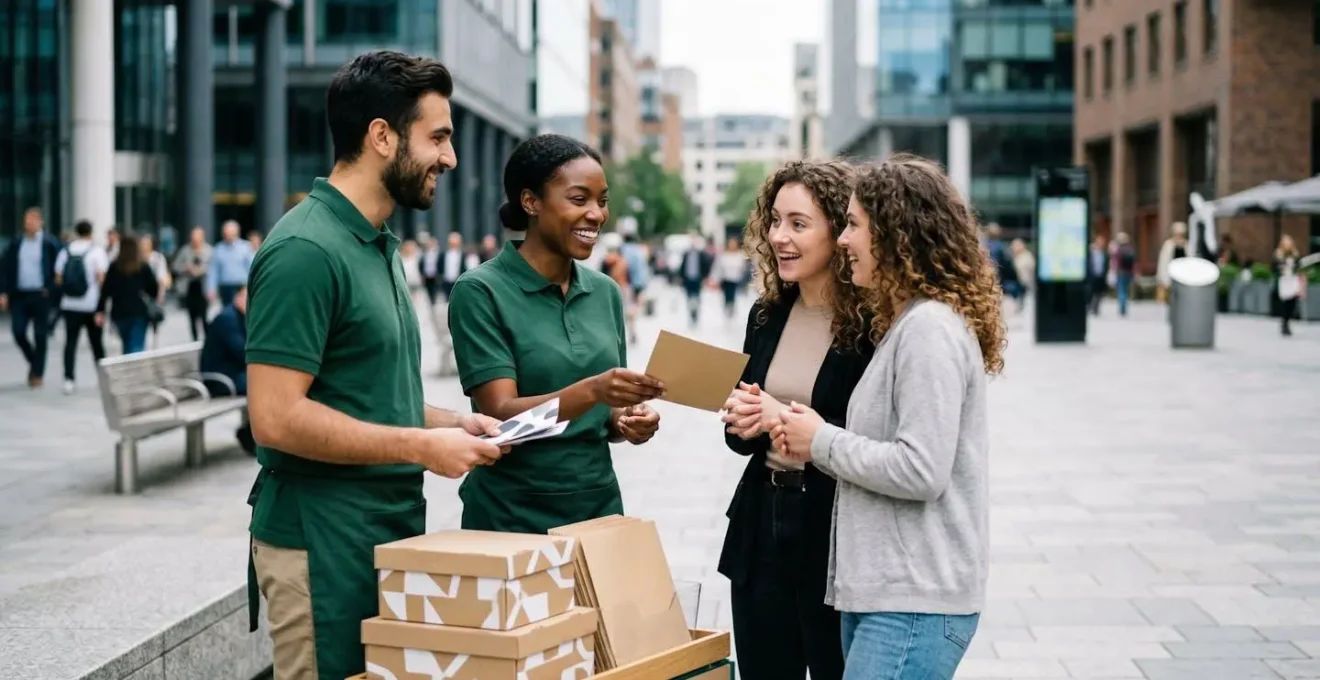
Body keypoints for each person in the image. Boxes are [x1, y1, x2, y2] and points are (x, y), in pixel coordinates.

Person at [241, 50, 508, 680]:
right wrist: (419, 446)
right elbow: (276, 419)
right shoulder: (306, 250)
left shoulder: (378, 243)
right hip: (319, 540)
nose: (451, 158)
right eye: (438, 137)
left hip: (381, 531)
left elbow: (362, 391)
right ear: (382, 136)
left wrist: (448, 424)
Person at [772, 155, 1000, 680]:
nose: (845, 240)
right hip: (888, 597)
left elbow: (922, 469)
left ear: (895, 234)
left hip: (913, 603)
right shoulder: (907, 324)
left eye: (853, 224)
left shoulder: (928, 332)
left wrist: (820, 440)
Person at [448, 133, 665, 534]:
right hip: (511, 518)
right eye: (579, 199)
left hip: (598, 512)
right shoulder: (480, 291)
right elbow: (498, 415)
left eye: (601, 201)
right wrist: (594, 391)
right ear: (530, 202)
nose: (597, 215)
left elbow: (604, 415)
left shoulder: (605, 292)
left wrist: (626, 419)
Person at [717, 161, 873, 680]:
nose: (780, 236)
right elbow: (743, 436)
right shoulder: (766, 314)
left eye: (798, 224)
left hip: (831, 526)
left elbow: (868, 435)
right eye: (775, 221)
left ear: (839, 228)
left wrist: (778, 414)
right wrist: (743, 421)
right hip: (762, 520)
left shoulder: (871, 324)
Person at [0, 207, 61, 387]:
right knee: (18, 332)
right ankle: (34, 361)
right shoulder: (17, 242)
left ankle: (37, 373)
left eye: (33, 221)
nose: (29, 224)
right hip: (20, 294)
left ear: (40, 222)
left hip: (41, 295)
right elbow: (5, 268)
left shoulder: (50, 244)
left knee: (40, 335)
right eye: (26, 221)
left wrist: (51, 289)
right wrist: (3, 292)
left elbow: (58, 269)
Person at [52, 220, 109, 394]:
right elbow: (101, 278)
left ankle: (69, 379)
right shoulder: (96, 251)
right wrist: (102, 304)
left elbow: (58, 278)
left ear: (76, 232)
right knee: (96, 344)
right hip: (91, 304)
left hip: (70, 304)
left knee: (70, 343)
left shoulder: (66, 250)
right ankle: (103, 379)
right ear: (91, 233)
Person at [96, 232, 160, 355]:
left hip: (119, 312)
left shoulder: (115, 267)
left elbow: (105, 291)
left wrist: (100, 311)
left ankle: (129, 367)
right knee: (136, 345)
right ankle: (134, 371)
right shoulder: (142, 266)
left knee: (127, 344)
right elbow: (154, 289)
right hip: (139, 311)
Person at [172, 226, 213, 340]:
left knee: (204, 316)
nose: (195, 241)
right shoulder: (185, 250)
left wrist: (202, 270)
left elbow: (214, 267)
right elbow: (175, 266)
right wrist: (186, 268)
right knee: (192, 316)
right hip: (189, 287)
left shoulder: (209, 251)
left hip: (203, 287)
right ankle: (194, 340)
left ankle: (207, 339)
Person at [206, 220, 254, 307]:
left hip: (241, 287)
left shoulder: (246, 247)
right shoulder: (218, 249)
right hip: (225, 287)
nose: (227, 235)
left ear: (236, 232)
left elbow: (252, 268)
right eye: (225, 233)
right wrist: (211, 288)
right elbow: (213, 271)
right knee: (227, 312)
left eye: (230, 233)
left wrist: (250, 286)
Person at [679, 234, 714, 327]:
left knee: (697, 298)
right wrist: (681, 278)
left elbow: (706, 266)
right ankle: (691, 314)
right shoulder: (686, 254)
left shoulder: (701, 254)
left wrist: (705, 277)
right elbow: (682, 267)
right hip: (688, 280)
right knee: (689, 298)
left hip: (698, 280)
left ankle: (696, 315)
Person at [1275, 234, 1302, 337]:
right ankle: (1285, 323)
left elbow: (1299, 266)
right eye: (1286, 242)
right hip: (1284, 280)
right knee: (1285, 303)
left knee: (1292, 302)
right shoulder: (1279, 253)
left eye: (1289, 242)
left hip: (1293, 280)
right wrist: (1282, 265)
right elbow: (1276, 266)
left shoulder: (1295, 254)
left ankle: (1287, 321)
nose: (1288, 244)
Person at [715, 236, 748, 320]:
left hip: (737, 280)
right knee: (727, 296)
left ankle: (733, 311)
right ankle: (727, 311)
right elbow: (718, 268)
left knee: (734, 296)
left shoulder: (740, 255)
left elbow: (744, 269)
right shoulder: (724, 255)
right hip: (726, 280)